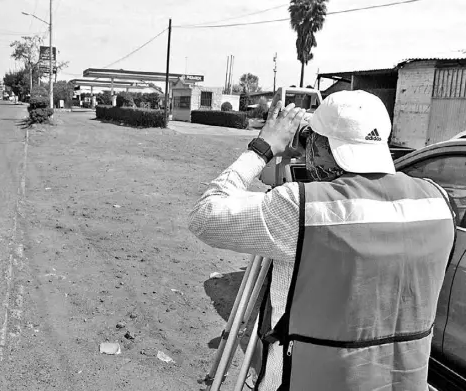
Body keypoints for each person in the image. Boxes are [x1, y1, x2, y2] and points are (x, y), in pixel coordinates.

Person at [188, 90, 456, 391]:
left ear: (323, 145)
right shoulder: (437, 201)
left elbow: (204, 214)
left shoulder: (302, 208)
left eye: (312, 138)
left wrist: (262, 148)